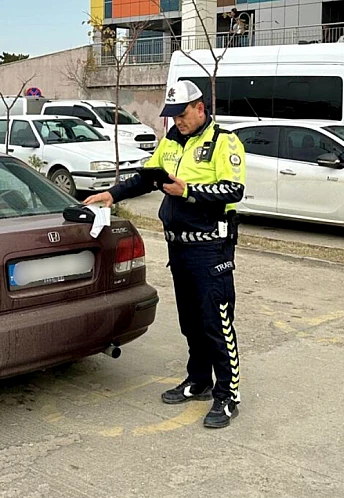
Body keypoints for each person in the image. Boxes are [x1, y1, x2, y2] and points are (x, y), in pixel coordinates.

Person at [84, 81, 246, 429]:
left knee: (216, 322)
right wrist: (113, 195)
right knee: (190, 321)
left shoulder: (223, 142)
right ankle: (199, 380)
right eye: (171, 116)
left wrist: (187, 191)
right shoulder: (171, 142)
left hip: (210, 247)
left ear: (200, 108)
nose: (177, 122)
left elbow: (234, 189)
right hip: (180, 246)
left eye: (182, 114)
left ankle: (227, 395)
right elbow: (147, 178)